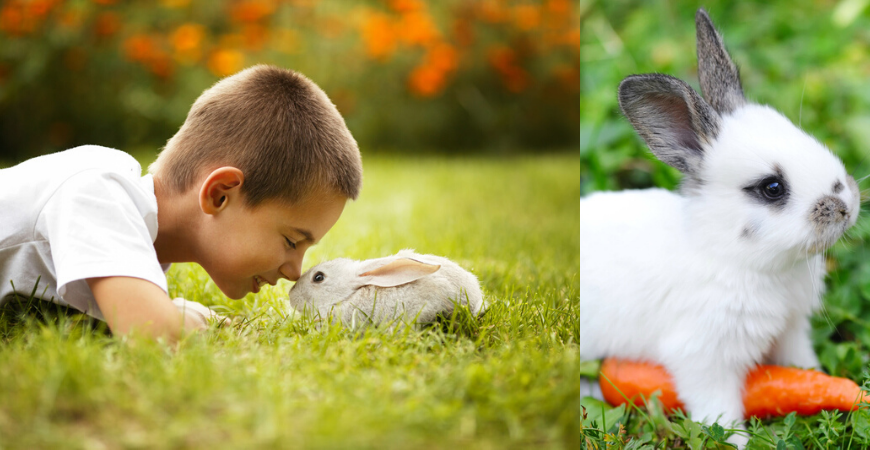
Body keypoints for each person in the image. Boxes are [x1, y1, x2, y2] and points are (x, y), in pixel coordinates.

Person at [0, 65, 363, 342]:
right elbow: (151, 333)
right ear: (219, 193)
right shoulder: (98, 188)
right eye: (291, 241)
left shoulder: (138, 244)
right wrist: (186, 319)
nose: (295, 271)